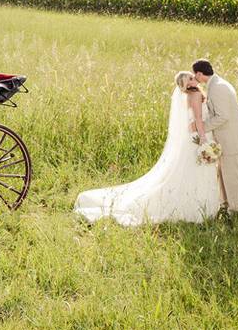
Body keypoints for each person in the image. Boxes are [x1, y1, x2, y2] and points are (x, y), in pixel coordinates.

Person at [73, 71, 223, 225]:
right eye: (190, 79)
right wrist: (204, 140)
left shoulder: (188, 95)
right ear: (186, 85)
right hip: (199, 137)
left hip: (191, 137)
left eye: (192, 77)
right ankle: (198, 206)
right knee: (197, 170)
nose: (194, 79)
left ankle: (200, 202)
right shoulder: (196, 95)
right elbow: (198, 119)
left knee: (191, 170)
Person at [193, 59, 238, 213]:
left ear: (200, 73)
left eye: (195, 75)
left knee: (234, 177)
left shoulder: (218, 88)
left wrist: (201, 127)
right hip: (225, 141)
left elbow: (223, 116)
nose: (195, 78)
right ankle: (226, 206)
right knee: (224, 175)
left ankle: (237, 211)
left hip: (233, 141)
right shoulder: (216, 84)